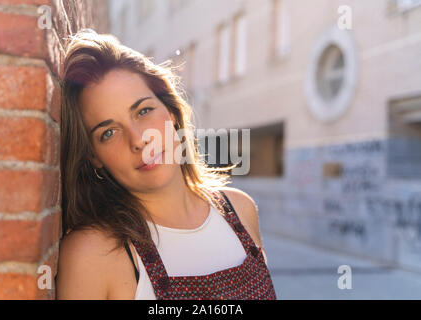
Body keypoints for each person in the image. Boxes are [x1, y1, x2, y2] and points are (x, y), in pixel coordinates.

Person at [56, 29, 277, 300]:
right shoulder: (91, 254)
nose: (138, 140)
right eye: (108, 132)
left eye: (143, 111)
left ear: (171, 112)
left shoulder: (240, 210)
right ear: (94, 157)